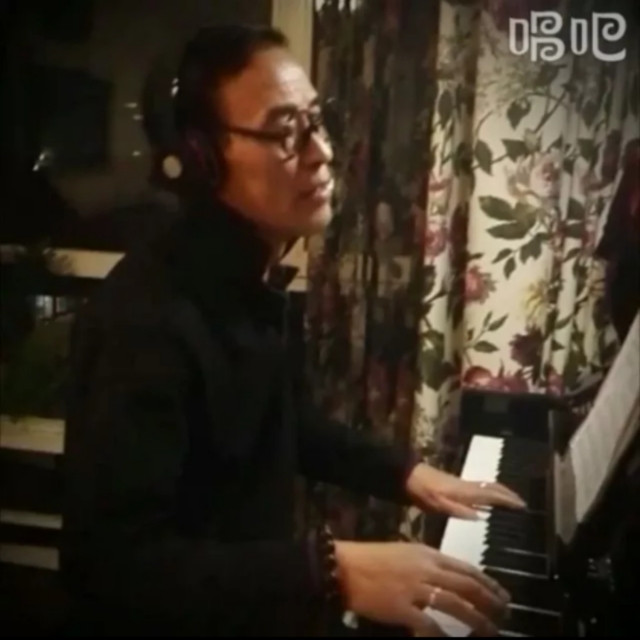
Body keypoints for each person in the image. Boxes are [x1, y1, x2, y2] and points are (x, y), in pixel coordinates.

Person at [60, 24, 526, 637]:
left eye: (316, 121)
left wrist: (406, 474)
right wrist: (332, 570)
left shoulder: (241, 283)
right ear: (202, 159)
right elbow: (112, 568)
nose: (322, 151)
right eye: (285, 131)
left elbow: (281, 422)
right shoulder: (145, 322)